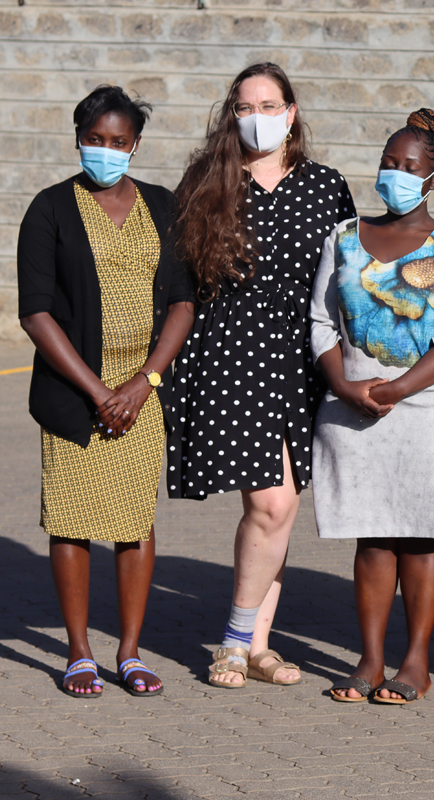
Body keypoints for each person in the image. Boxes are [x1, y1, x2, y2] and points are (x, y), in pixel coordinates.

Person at [168, 62, 356, 689]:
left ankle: (257, 644)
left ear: (292, 112)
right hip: (228, 353)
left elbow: (350, 281)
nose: (257, 116)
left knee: (281, 509)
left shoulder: (326, 186)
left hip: (303, 361)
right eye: (245, 106)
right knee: (270, 503)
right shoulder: (206, 182)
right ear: (232, 113)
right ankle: (233, 640)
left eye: (270, 104)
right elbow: (180, 281)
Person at [17, 86, 195, 697]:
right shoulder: (49, 209)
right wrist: (98, 391)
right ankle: (79, 652)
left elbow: (182, 301)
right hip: (75, 393)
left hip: (141, 393)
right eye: (95, 140)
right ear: (78, 137)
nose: (106, 151)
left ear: (135, 145)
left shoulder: (163, 206)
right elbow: (36, 313)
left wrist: (141, 385)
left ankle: (131, 652)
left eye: (118, 142)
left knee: (134, 521)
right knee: (70, 523)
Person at [310, 109, 434, 703]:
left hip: (430, 411)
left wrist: (398, 388)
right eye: (388, 162)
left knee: (421, 536)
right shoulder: (342, 236)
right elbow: (319, 322)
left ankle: (415, 662)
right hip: (355, 407)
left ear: (432, 178)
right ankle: (370, 659)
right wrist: (345, 385)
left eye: (408, 166)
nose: (394, 174)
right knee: (371, 536)